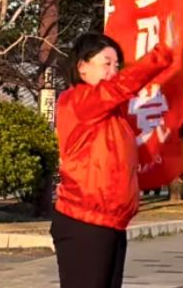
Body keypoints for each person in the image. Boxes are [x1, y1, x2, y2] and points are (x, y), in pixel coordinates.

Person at [51, 29, 175, 288]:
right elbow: (120, 87)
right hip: (84, 222)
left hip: (111, 223)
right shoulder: (77, 100)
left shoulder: (115, 117)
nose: (113, 72)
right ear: (82, 67)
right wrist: (161, 56)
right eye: (106, 64)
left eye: (117, 65)